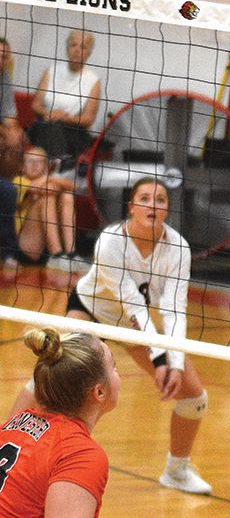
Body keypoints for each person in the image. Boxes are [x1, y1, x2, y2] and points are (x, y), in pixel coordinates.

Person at [10, 177, 212, 494]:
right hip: (92, 312)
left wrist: (174, 362)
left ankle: (177, 470)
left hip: (134, 326)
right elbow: (132, 303)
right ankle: (6, 449)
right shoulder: (111, 240)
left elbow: (174, 309)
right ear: (131, 207)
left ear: (167, 210)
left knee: (193, 395)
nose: (153, 205)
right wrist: (159, 358)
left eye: (160, 200)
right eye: (144, 198)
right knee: (49, 377)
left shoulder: (178, 248)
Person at [0, 326, 120, 518]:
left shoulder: (16, 422)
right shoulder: (81, 455)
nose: (117, 372)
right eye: (114, 366)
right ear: (99, 392)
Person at [29, 29, 101, 161]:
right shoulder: (51, 70)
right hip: (44, 123)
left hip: (73, 132)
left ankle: (51, 166)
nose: (77, 50)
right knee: (48, 126)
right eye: (73, 45)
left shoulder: (93, 80)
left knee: (52, 127)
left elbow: (88, 119)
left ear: (89, 53)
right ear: (67, 48)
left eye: (83, 47)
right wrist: (48, 113)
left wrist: (64, 117)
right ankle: (56, 166)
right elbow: (36, 105)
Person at [13, 146, 77, 268]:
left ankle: (71, 254)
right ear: (21, 166)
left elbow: (73, 186)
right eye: (30, 161)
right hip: (24, 248)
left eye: (40, 161)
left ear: (47, 166)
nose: (35, 165)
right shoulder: (17, 181)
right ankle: (56, 254)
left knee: (67, 196)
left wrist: (49, 179)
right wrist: (51, 180)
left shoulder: (49, 180)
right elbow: (44, 189)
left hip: (44, 247)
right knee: (47, 198)